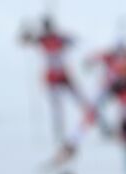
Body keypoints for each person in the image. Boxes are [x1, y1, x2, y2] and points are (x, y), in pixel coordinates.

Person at [20, 16, 85, 146]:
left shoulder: (58, 38)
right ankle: (59, 133)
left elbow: (75, 41)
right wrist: (26, 31)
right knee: (56, 107)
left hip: (63, 75)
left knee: (80, 100)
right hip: (51, 77)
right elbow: (24, 41)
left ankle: (94, 125)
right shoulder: (42, 39)